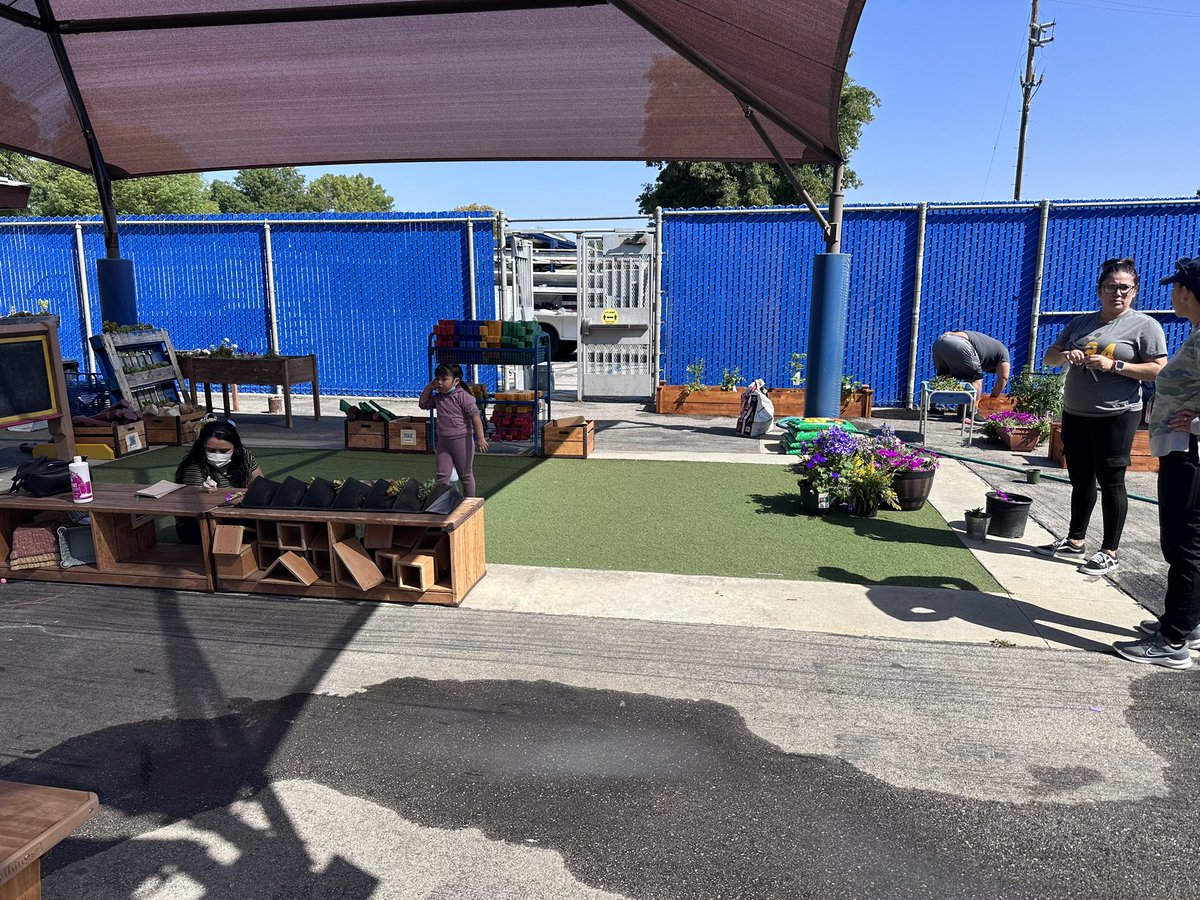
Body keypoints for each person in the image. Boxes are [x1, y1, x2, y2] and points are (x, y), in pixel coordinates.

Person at [1039, 257, 1167, 576]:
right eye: (1111, 287)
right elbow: (1050, 357)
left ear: (1135, 291)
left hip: (1116, 415)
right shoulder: (1082, 323)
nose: (1117, 293)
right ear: (1100, 290)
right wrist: (1068, 354)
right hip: (1076, 412)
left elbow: (1158, 370)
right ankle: (1075, 540)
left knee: (1112, 482)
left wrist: (1116, 366)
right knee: (1080, 479)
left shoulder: (1145, 326)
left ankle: (1110, 550)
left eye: (1125, 288)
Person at [1113, 257, 1200, 669]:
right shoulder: (1196, 333)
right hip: (1179, 449)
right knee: (1181, 544)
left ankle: (1172, 642)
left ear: (1187, 292)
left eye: (1175, 287)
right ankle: (1187, 622)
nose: (1170, 294)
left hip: (1191, 453)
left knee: (1186, 547)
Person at [173, 419, 263, 543]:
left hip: (236, 514)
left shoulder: (244, 456)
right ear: (203, 446)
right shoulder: (195, 468)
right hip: (201, 524)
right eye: (211, 450)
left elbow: (260, 483)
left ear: (235, 448)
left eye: (224, 451)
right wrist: (208, 495)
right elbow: (196, 510)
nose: (217, 455)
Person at [419, 362, 489, 497]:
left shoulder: (463, 397)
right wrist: (429, 387)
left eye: (444, 379)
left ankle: (470, 503)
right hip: (443, 442)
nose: (439, 382)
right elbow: (422, 404)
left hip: (462, 441)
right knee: (442, 476)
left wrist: (480, 438)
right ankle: (442, 504)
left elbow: (475, 417)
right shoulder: (439, 397)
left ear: (456, 381)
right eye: (437, 379)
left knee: (465, 475)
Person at [931, 330, 1011, 402]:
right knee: (975, 380)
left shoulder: (991, 349)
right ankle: (972, 412)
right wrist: (993, 398)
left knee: (945, 376)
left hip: (939, 342)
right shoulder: (1003, 352)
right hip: (960, 343)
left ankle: (932, 406)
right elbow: (1004, 378)